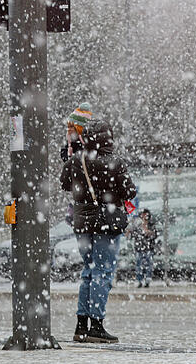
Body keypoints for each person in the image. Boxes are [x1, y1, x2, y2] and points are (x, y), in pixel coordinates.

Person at [60, 119, 136, 344]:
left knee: (88, 271)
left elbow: (65, 184)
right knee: (103, 272)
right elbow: (129, 191)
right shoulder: (114, 162)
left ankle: (81, 325)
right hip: (107, 222)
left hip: (82, 222)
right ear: (108, 139)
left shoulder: (77, 160)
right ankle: (97, 324)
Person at [128, 208, 159, 288]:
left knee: (149, 265)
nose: (144, 216)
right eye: (142, 214)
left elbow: (155, 234)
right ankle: (139, 280)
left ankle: (147, 280)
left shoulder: (151, 224)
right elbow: (133, 235)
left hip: (149, 248)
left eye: (145, 214)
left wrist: (149, 233)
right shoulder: (137, 225)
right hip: (139, 248)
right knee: (139, 265)